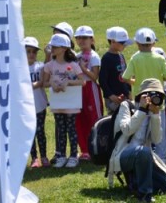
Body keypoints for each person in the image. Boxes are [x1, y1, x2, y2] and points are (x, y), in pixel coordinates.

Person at [108, 78, 166, 202]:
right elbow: (127, 130)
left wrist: (155, 115)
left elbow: (157, 140)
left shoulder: (153, 111)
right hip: (123, 154)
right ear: (141, 94)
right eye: (149, 94)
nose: (153, 98)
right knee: (143, 151)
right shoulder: (127, 105)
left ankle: (136, 180)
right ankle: (144, 194)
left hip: (145, 156)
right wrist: (141, 110)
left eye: (157, 95)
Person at [122, 28, 166, 163]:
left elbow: (125, 77)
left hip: (141, 99)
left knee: (141, 130)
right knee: (159, 130)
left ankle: (141, 157)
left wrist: (135, 82)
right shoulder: (160, 58)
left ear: (138, 44)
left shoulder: (135, 58)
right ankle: (162, 159)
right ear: (153, 44)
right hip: (158, 99)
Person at [42, 33, 84, 168]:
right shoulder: (50, 65)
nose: (52, 49)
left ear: (64, 48)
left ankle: (73, 155)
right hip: (58, 103)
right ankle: (61, 156)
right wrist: (52, 84)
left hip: (71, 103)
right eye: (52, 46)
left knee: (71, 128)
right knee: (60, 128)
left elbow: (82, 82)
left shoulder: (73, 65)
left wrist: (68, 83)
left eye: (55, 46)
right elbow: (45, 83)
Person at [74, 26, 103, 161]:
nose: (81, 41)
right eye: (79, 38)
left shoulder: (94, 56)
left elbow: (94, 76)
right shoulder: (76, 56)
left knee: (94, 118)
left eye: (85, 38)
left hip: (90, 89)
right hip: (78, 88)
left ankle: (97, 147)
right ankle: (84, 149)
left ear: (92, 40)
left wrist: (83, 68)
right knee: (80, 118)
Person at [24, 36, 49, 168]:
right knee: (30, 132)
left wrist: (47, 54)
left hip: (39, 104)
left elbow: (42, 81)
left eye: (34, 52)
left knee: (40, 131)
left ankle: (44, 156)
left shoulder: (40, 66)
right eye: (28, 51)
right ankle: (34, 158)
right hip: (25, 106)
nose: (31, 54)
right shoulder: (18, 68)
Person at [99, 27, 133, 114]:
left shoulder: (121, 56)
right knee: (114, 121)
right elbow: (102, 80)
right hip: (113, 99)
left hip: (124, 96)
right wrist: (111, 95)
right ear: (113, 41)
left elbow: (125, 76)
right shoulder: (106, 58)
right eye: (122, 43)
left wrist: (129, 92)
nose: (125, 45)